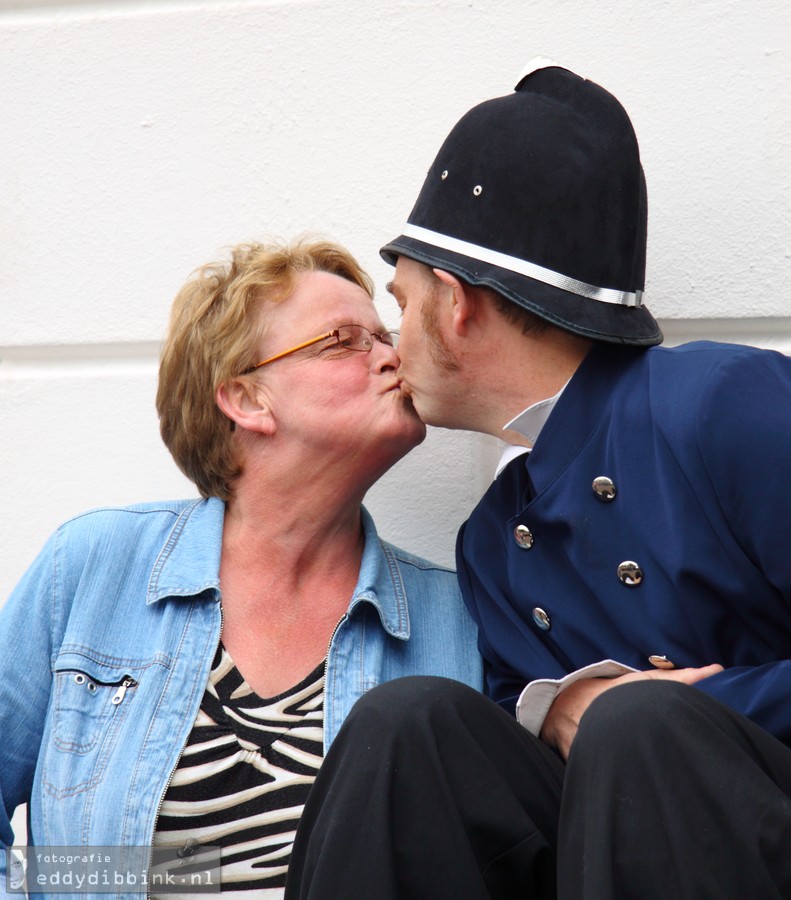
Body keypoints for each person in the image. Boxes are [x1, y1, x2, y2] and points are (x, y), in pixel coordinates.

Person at [285, 62, 791, 898]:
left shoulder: (726, 403)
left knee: (638, 725)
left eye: (403, 301)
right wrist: (566, 719)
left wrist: (681, 707)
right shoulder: (495, 541)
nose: (393, 346)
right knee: (409, 726)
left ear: (457, 303)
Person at [0, 237, 482, 899]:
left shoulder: (458, 620)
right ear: (246, 400)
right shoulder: (90, 571)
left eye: (384, 334)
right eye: (344, 340)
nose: (392, 356)